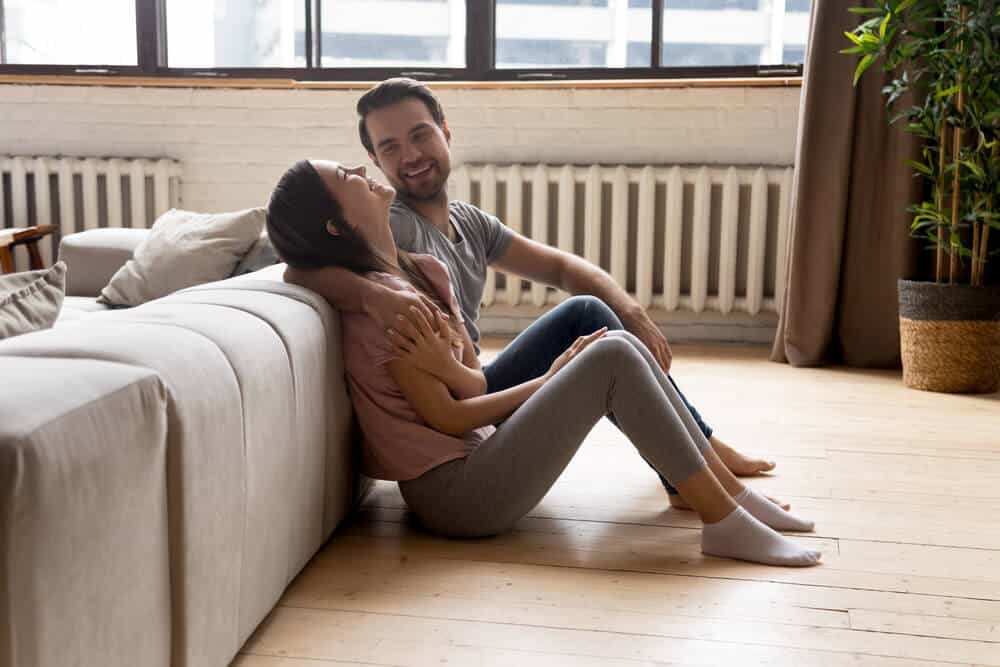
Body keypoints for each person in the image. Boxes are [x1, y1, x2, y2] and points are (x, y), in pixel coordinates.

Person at [266, 159, 820, 567]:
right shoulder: (389, 309)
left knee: (603, 334)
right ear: (336, 226)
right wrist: (553, 378)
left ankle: (726, 496)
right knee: (610, 356)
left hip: (478, 451)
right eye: (345, 177)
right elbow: (449, 420)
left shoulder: (417, 273)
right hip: (460, 500)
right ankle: (721, 519)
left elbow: (473, 384)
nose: (361, 168)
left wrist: (535, 375)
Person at [286, 78, 785, 512]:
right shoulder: (392, 224)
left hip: (471, 384)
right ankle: (698, 459)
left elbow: (561, 266)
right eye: (390, 147)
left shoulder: (467, 222)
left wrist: (632, 311)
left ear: (445, 131)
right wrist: (373, 296)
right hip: (453, 408)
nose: (411, 156)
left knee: (589, 311)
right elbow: (292, 265)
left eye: (420, 135)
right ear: (375, 160)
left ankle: (699, 453)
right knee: (590, 328)